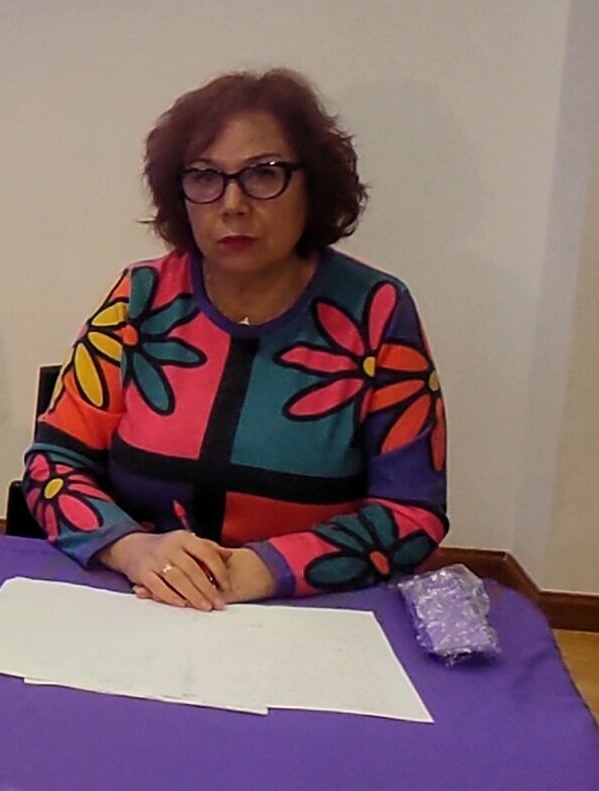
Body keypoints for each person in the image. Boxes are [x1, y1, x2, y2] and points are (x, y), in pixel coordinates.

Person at [24, 69, 448, 607]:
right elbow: (51, 467)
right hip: (143, 601)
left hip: (311, 612)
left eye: (263, 173)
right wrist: (131, 548)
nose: (232, 204)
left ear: (312, 183)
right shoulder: (141, 297)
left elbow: (413, 513)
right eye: (205, 177)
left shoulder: (377, 312)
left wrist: (271, 567)